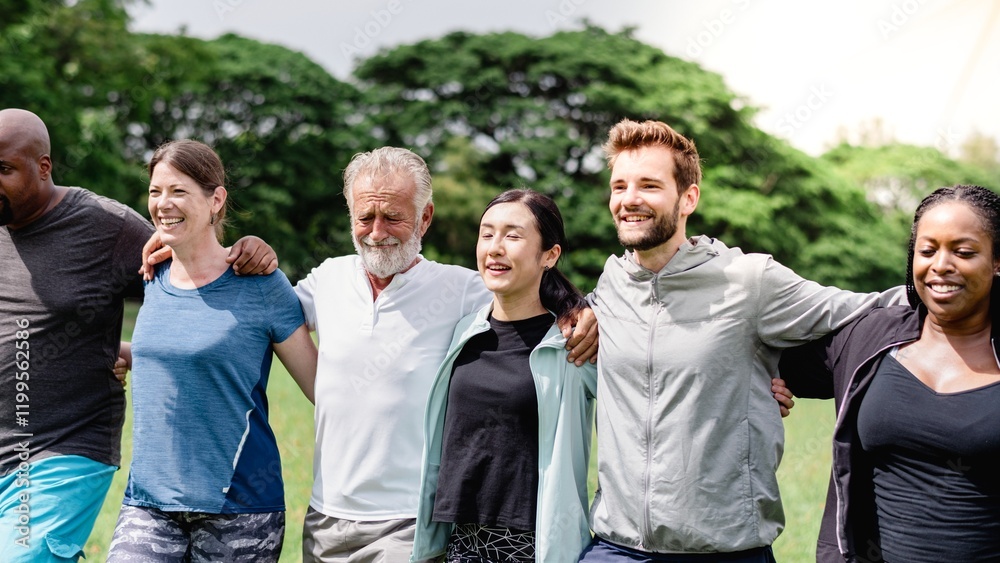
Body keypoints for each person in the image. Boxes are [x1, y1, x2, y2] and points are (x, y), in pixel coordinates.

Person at [579, 119, 903, 562]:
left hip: (726, 550)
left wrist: (790, 372)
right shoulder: (611, 284)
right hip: (615, 549)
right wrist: (567, 308)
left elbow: (870, 308)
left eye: (649, 186)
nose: (629, 200)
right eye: (619, 186)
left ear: (688, 197)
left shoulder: (749, 280)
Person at [293, 147, 599, 562]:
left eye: (393, 217)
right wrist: (245, 251)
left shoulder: (461, 291)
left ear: (425, 218)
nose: (377, 231)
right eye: (365, 217)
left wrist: (582, 310)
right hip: (325, 516)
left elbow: (523, 285)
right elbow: (263, 313)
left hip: (409, 525)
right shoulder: (326, 278)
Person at [0, 109, 275, 563]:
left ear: (43, 167)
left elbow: (197, 271)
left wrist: (250, 251)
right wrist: (128, 351)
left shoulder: (107, 227)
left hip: (58, 451)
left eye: (4, 169)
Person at [105, 139, 318, 562]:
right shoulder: (153, 273)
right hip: (149, 501)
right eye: (155, 191)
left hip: (239, 508)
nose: (163, 204)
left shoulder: (261, 283)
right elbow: (174, 349)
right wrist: (121, 354)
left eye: (178, 191)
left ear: (216, 199)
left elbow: (320, 386)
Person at [780, 185, 1000, 563]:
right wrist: (762, 387)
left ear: (997, 261)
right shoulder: (870, 338)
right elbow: (758, 360)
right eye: (927, 250)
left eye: (963, 252)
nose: (941, 265)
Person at [411, 189, 597, 563]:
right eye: (487, 234)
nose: (495, 247)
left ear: (550, 255)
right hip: (460, 543)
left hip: (535, 547)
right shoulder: (464, 332)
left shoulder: (573, 344)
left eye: (513, 235)